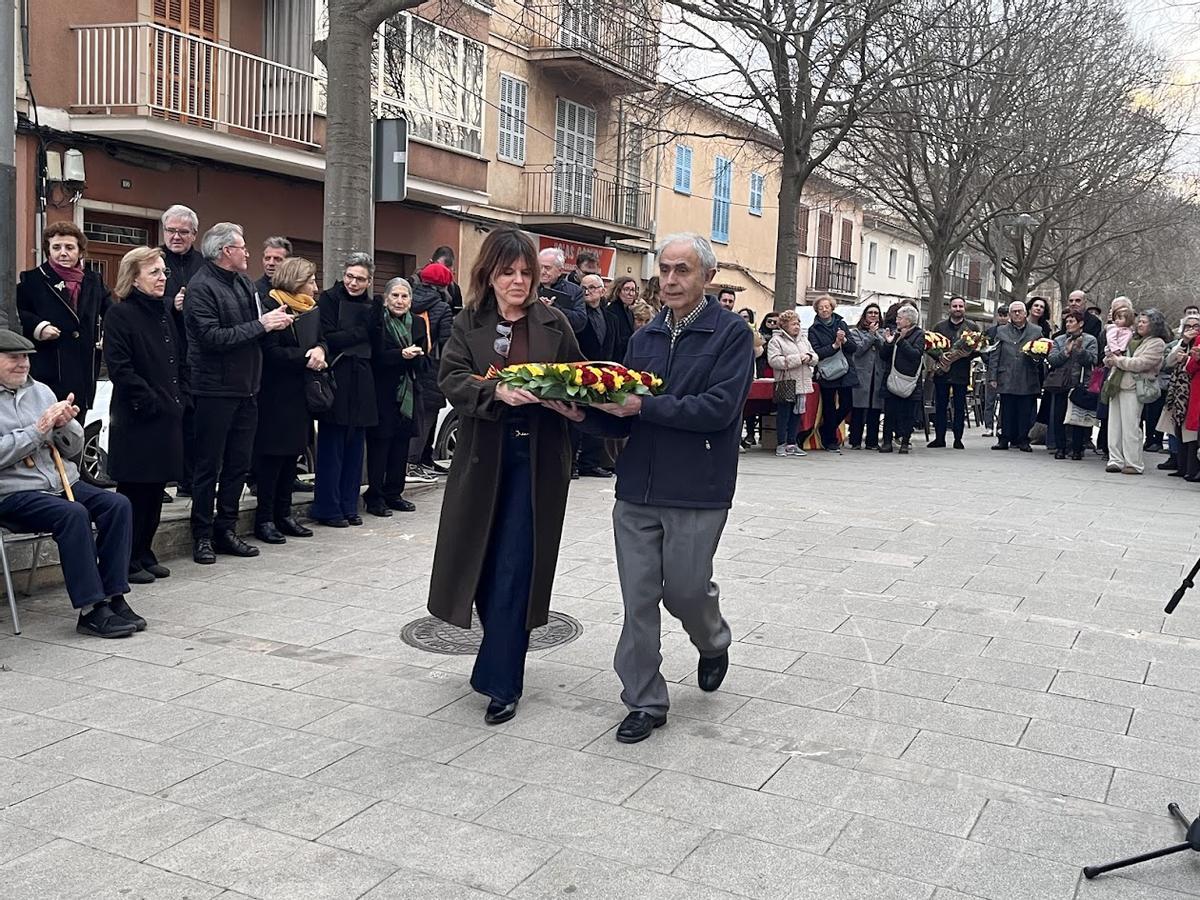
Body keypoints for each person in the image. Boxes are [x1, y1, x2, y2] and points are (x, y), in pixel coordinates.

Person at [555, 233, 753, 745]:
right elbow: (626, 417)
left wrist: (644, 407)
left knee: (686, 591)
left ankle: (712, 638)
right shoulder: (643, 338)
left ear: (707, 276)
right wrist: (583, 415)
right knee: (638, 600)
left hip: (697, 487)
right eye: (664, 269)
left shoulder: (731, 334)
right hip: (637, 489)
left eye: (682, 270)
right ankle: (643, 699)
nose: (670, 279)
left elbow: (719, 410)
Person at [427, 227, 582, 726]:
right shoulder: (467, 321)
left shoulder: (554, 321)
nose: (518, 281)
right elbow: (451, 378)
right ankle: (500, 650)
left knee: (518, 565)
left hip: (536, 461)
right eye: (507, 272)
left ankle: (502, 680)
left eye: (525, 273)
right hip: (482, 458)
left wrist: (575, 405)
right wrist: (495, 393)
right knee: (484, 562)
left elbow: (579, 377)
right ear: (489, 275)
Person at [0, 330, 141, 637]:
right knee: (73, 513)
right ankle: (91, 609)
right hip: (13, 492)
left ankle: (113, 596)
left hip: (60, 481)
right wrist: (38, 430)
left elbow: (72, 448)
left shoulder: (40, 391)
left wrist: (68, 426)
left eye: (26, 357)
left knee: (117, 504)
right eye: (13, 357)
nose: (23, 364)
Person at [185, 223, 292, 563]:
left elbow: (253, 328)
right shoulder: (201, 287)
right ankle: (202, 535)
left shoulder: (244, 283)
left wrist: (271, 321)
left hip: (248, 388)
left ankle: (226, 530)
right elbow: (212, 338)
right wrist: (262, 325)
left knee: (238, 464)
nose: (247, 253)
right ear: (224, 252)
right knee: (208, 466)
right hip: (214, 390)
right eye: (242, 247)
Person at [104, 247, 184, 584]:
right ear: (134, 279)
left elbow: (176, 358)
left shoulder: (164, 311)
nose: (162, 277)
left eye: (164, 271)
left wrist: (181, 399)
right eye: (154, 272)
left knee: (156, 489)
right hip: (138, 417)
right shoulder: (120, 314)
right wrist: (150, 401)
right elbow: (120, 368)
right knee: (135, 491)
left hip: (167, 414)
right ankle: (126, 558)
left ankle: (145, 551)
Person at [253, 257, 326, 543]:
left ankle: (284, 514)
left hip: (300, 394)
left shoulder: (309, 308)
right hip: (275, 396)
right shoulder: (272, 305)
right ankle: (265, 519)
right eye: (311, 281)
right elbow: (270, 352)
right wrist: (304, 357)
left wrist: (320, 350)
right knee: (272, 459)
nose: (315, 288)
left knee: (291, 457)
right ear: (296, 281)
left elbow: (321, 338)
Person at [312, 253, 378, 527]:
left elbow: (377, 339)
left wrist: (356, 335)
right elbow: (328, 337)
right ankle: (328, 508)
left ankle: (350, 505)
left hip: (362, 379)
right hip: (336, 376)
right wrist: (361, 333)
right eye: (350, 276)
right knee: (332, 445)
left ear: (369, 281)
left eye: (360, 279)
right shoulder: (328, 299)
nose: (353, 283)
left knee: (355, 447)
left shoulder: (373, 305)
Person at [16, 222, 109, 420]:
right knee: (47, 428)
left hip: (84, 370)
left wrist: (108, 333)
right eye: (56, 247)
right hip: (50, 369)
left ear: (80, 251)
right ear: (48, 250)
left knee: (76, 428)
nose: (63, 253)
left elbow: (111, 310)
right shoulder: (32, 280)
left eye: (69, 247)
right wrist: (39, 326)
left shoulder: (93, 280)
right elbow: (18, 312)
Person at [365, 277, 427, 517]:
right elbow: (375, 356)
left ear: (411, 300)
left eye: (404, 296)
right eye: (395, 296)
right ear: (386, 298)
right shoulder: (378, 321)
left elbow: (425, 358)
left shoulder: (418, 323)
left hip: (408, 392)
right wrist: (400, 354)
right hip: (383, 391)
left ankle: (394, 493)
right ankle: (375, 496)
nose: (399, 301)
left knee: (401, 445)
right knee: (380, 445)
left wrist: (418, 357)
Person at [159, 205, 205, 498]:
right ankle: (160, 482)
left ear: (194, 234)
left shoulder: (204, 263)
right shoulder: (152, 259)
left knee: (193, 422)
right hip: (163, 352)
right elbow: (132, 298)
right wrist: (171, 304)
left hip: (196, 354)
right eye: (171, 231)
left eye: (183, 232)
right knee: (165, 421)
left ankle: (189, 481)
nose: (176, 237)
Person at [1102, 309, 1168, 475]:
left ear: (1154, 325)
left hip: (1133, 387)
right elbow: (1114, 355)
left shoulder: (1157, 343)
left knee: (1131, 425)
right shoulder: (1130, 337)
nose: (1140, 324)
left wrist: (1118, 360)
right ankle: (1115, 460)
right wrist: (1109, 358)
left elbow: (1141, 363)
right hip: (1116, 384)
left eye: (1144, 322)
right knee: (1114, 426)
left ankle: (1133, 463)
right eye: (1139, 321)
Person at [407, 261, 455, 482]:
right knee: (428, 414)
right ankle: (414, 462)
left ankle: (423, 459)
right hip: (432, 367)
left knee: (415, 414)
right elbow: (447, 342)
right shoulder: (442, 307)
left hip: (409, 362)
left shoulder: (408, 298)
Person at [986, 300, 1043, 451]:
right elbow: (994, 355)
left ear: (1025, 313)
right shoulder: (1001, 331)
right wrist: (993, 377)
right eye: (1014, 311)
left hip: (1027, 376)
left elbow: (1042, 354)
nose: (1017, 314)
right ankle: (1004, 438)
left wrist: (1036, 358)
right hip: (1007, 376)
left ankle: (1023, 440)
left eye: (1020, 311)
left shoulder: (1036, 331)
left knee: (1025, 410)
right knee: (1006, 410)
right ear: (1010, 314)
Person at [1045, 310, 1098, 460]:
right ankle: (1060, 448)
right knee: (1059, 416)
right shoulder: (1059, 340)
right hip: (1061, 383)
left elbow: (1092, 360)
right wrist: (1066, 352)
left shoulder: (1090, 340)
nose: (1068, 324)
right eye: (1067, 322)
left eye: (1072, 321)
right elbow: (1052, 360)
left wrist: (1080, 351)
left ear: (1080, 323)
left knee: (1078, 418)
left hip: (1080, 383)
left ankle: (1077, 449)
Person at [808, 294, 858, 452]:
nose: (824, 310)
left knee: (847, 404)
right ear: (817, 310)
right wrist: (835, 346)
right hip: (827, 372)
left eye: (827, 307)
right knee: (829, 406)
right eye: (821, 308)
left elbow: (853, 348)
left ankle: (827, 429)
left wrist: (844, 341)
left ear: (832, 308)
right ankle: (830, 441)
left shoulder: (841, 324)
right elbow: (817, 352)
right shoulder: (813, 330)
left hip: (845, 369)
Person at [930, 296, 981, 449]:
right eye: (955, 306)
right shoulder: (939, 327)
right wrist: (940, 356)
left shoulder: (972, 327)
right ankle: (939, 438)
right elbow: (931, 346)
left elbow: (978, 349)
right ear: (949, 308)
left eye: (960, 306)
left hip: (961, 372)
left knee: (959, 407)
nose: (958, 309)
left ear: (964, 308)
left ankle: (958, 439)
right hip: (942, 372)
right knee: (940, 406)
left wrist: (965, 354)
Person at [767, 309, 816, 458]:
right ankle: (781, 444)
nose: (797, 326)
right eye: (793, 324)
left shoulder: (804, 339)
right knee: (784, 414)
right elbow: (774, 361)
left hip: (802, 383)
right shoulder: (776, 341)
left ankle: (792, 443)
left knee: (797, 414)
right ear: (784, 325)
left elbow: (815, 356)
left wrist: (809, 357)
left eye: (798, 323)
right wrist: (798, 359)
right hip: (786, 382)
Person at [879, 305, 925, 454]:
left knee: (908, 413)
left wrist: (900, 341)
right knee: (890, 412)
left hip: (909, 380)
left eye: (899, 318)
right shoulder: (894, 332)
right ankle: (887, 442)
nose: (897, 321)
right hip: (892, 377)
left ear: (909, 320)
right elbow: (883, 356)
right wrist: (888, 343)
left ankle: (905, 441)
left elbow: (915, 355)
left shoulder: (919, 334)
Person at [1160, 314, 1200, 476]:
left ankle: (1191, 468)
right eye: (1188, 326)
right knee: (1178, 429)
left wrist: (1189, 359)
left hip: (1193, 391)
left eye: (1195, 326)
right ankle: (1181, 465)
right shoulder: (1180, 344)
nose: (1192, 330)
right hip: (1178, 393)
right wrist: (1183, 343)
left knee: (1191, 433)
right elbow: (1168, 362)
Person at [848, 303, 885, 450]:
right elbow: (858, 350)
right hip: (861, 375)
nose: (873, 315)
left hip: (877, 375)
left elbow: (885, 350)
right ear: (865, 315)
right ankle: (855, 441)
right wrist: (870, 335)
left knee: (875, 410)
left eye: (876, 313)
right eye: (870, 312)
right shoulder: (855, 332)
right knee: (858, 409)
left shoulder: (884, 332)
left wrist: (877, 335)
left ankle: (872, 442)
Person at [537, 247, 586, 332]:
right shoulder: (529, 286)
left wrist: (554, 308)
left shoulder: (575, 291)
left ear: (560, 271)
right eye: (540, 267)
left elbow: (579, 322)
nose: (542, 271)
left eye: (547, 268)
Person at [981, 304, 1008, 437]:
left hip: (1005, 369)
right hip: (991, 368)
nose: (1002, 318)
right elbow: (982, 348)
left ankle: (1001, 426)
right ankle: (989, 426)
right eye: (1000, 315)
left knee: (1004, 400)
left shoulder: (1011, 332)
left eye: (1005, 315)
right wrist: (988, 362)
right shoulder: (990, 332)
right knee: (989, 399)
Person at [607, 276, 640, 363]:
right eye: (626, 289)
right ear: (618, 291)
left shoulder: (630, 312)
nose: (630, 293)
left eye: (633, 290)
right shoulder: (611, 311)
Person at [430, 246, 464, 313]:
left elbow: (457, 314)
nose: (441, 272)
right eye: (438, 267)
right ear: (431, 263)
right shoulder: (417, 282)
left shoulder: (454, 289)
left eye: (445, 269)